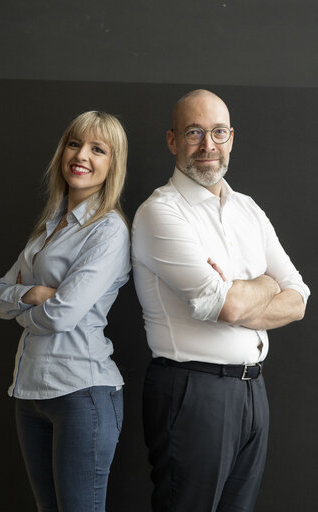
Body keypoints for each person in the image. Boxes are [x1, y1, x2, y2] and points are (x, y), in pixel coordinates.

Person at [131, 89, 310, 512]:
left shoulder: (249, 209)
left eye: (218, 132)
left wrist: (240, 288)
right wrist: (268, 283)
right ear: (173, 141)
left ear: (231, 137)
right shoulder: (160, 212)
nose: (208, 145)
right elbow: (225, 306)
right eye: (195, 132)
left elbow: (299, 297)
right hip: (191, 391)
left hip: (253, 390)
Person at [0, 111, 130, 512]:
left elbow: (62, 316)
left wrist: (23, 306)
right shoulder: (48, 226)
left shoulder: (108, 231)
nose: (81, 155)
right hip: (29, 391)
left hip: (82, 393)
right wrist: (34, 293)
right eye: (74, 143)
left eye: (97, 149)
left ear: (112, 164)